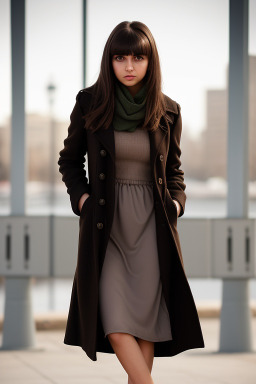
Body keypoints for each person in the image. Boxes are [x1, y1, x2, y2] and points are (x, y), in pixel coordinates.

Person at [58, 20, 204, 384]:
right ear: (109, 61)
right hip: (106, 229)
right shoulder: (90, 103)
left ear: (150, 61)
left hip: (151, 230)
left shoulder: (168, 111)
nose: (128, 66)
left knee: (145, 327)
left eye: (138, 57)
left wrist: (176, 205)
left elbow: (174, 173)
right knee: (116, 325)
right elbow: (69, 161)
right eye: (120, 57)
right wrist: (83, 199)